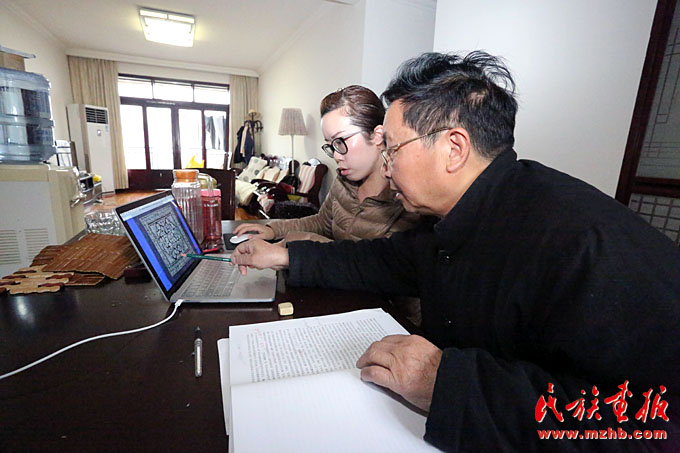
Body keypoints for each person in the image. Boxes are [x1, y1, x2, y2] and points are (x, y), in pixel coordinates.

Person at [231, 51, 680, 452]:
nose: (386, 167)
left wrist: (446, 384)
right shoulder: (451, 219)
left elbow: (654, 428)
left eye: (393, 149)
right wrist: (286, 256)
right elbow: (380, 260)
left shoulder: (582, 243)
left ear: (453, 148)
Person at [233, 85, 419, 245]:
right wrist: (273, 229)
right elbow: (322, 222)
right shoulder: (344, 180)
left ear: (377, 136)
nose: (336, 156)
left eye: (341, 141)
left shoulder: (408, 197)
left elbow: (377, 263)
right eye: (331, 145)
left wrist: (297, 247)